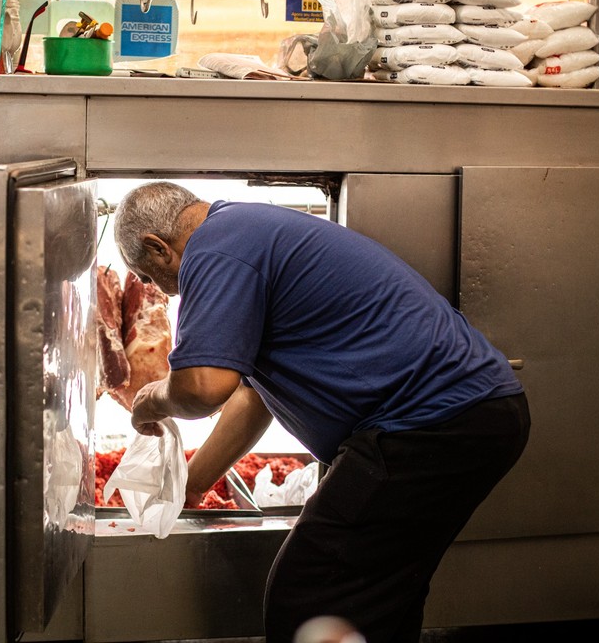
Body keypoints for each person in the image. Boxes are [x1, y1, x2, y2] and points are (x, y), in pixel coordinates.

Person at [112, 181, 530, 643]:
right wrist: (193, 483)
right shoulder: (244, 231)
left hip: (427, 424)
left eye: (149, 277)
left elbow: (204, 388)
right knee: (374, 599)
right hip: (469, 415)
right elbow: (252, 398)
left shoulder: (215, 245)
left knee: (311, 593)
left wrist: (149, 400)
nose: (161, 293)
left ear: (157, 247)